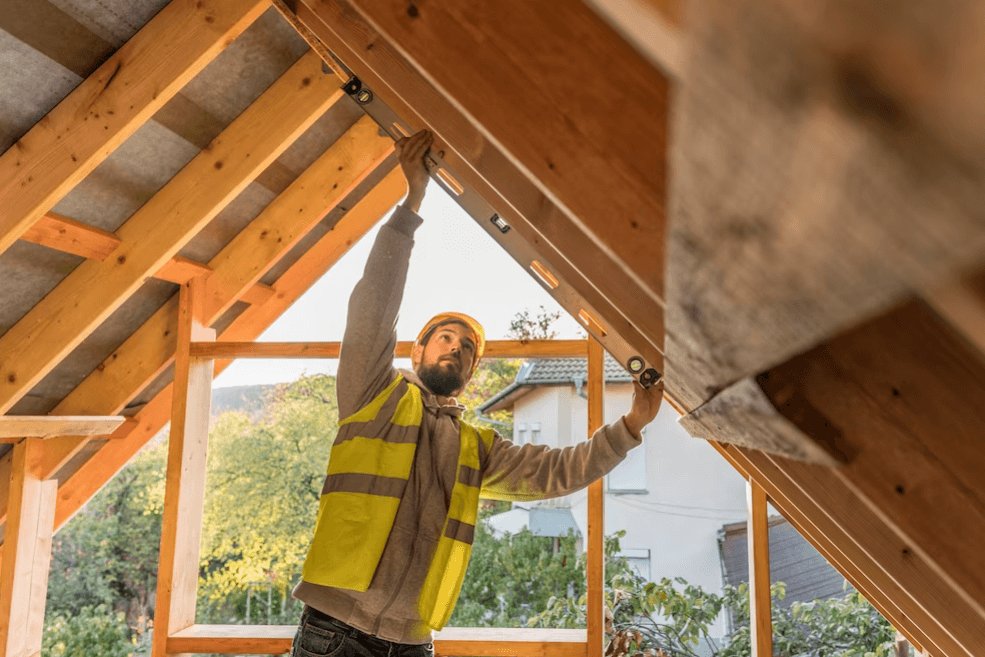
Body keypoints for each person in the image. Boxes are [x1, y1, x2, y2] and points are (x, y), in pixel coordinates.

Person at [290, 130, 662, 657]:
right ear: (416, 350)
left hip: (413, 643)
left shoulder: (473, 449)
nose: (456, 348)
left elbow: (557, 471)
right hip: (334, 631)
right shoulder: (372, 395)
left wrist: (630, 428)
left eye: (467, 347)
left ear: (470, 372)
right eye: (445, 337)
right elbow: (371, 308)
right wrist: (411, 205)